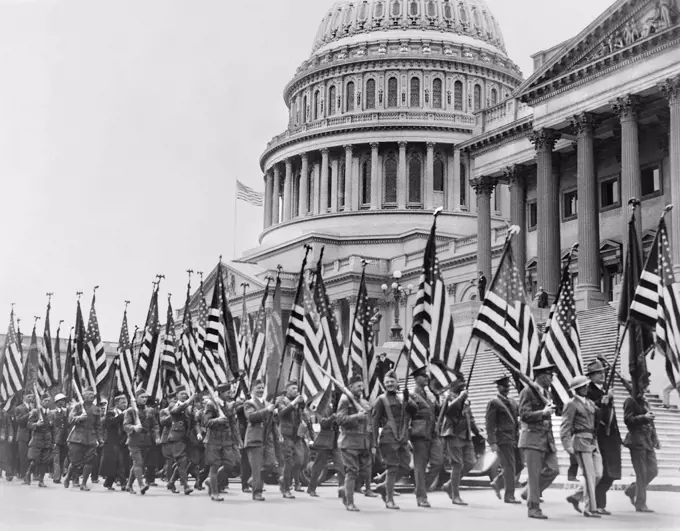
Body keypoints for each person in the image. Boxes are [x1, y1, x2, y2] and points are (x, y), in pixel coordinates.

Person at [518, 361, 559, 520]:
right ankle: (533, 508)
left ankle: (529, 492)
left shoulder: (546, 394)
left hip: (546, 439)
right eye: (550, 376)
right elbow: (524, 415)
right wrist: (543, 412)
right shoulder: (527, 391)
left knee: (553, 469)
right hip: (532, 438)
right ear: (541, 376)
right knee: (534, 475)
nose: (551, 379)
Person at [580, 360, 621, 515]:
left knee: (612, 472)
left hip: (610, 435)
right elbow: (589, 409)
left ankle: (585, 498)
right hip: (598, 434)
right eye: (598, 373)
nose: (602, 375)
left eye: (603, 372)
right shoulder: (588, 390)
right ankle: (598, 503)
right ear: (591, 376)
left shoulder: (605, 389)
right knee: (601, 471)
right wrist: (603, 401)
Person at [561, 376, 602, 518]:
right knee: (590, 476)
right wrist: (568, 446)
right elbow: (565, 427)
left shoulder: (590, 403)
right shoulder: (571, 404)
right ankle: (590, 508)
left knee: (598, 474)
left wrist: (607, 401)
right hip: (580, 441)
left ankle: (577, 496)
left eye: (586, 386)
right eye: (583, 387)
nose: (586, 388)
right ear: (577, 389)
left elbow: (601, 413)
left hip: (592, 441)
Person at [372, 370, 411, 510]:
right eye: (387, 382)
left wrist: (408, 399)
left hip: (402, 438)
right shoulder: (381, 400)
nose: (389, 384)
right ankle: (389, 499)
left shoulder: (402, 398)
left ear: (397, 383)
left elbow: (413, 411)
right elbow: (374, 422)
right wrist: (373, 442)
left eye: (392, 382)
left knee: (406, 466)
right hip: (388, 438)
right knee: (392, 467)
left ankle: (383, 486)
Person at [440, 375, 479, 506]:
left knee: (470, 463)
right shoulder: (446, 397)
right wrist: (461, 397)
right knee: (457, 465)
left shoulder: (465, 398)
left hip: (466, 434)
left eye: (464, 381)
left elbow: (470, 416)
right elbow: (449, 411)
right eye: (460, 381)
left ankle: (449, 485)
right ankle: (455, 495)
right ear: (453, 383)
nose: (463, 383)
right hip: (453, 434)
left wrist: (478, 432)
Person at [407, 366, 443, 508]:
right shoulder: (411, 394)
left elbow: (438, 411)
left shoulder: (429, 394)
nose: (426, 379)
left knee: (438, 462)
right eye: (423, 377)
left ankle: (421, 489)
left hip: (433, 432)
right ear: (416, 379)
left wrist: (440, 399)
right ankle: (421, 496)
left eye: (427, 377)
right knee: (420, 466)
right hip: (419, 433)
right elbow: (408, 412)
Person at [337, 373, 373, 512]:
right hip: (349, 441)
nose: (361, 388)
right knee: (352, 471)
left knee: (364, 472)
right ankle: (350, 502)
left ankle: (344, 490)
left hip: (363, 442)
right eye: (358, 386)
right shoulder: (345, 400)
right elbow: (339, 419)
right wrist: (356, 416)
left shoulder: (362, 402)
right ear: (350, 387)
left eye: (362, 386)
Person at [622, 376, 659, 513]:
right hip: (637, 440)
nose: (645, 387)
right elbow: (628, 420)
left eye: (646, 384)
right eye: (643, 384)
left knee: (653, 471)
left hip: (647, 440)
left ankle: (632, 490)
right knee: (641, 473)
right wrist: (643, 417)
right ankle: (640, 503)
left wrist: (655, 437)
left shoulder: (643, 400)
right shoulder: (630, 400)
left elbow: (651, 420)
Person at [486, 375, 522, 504]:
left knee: (520, 464)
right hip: (503, 439)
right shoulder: (494, 402)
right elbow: (489, 424)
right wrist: (492, 442)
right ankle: (509, 495)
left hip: (515, 437)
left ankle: (497, 482)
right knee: (509, 466)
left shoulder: (512, 401)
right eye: (503, 386)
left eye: (507, 386)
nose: (506, 389)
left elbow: (519, 414)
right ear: (498, 387)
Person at [203, 383, 242, 502]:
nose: (230, 395)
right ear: (220, 393)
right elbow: (206, 422)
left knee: (231, 463)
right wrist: (217, 420)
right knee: (214, 466)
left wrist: (238, 440)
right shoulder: (211, 405)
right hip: (213, 440)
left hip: (226, 440)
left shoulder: (226, 405)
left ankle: (211, 480)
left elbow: (232, 424)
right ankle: (215, 492)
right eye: (227, 393)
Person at [244, 379, 279, 502]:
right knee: (256, 467)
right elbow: (252, 417)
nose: (260, 390)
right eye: (258, 388)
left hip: (266, 439)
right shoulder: (249, 403)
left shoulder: (267, 403)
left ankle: (253, 480)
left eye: (262, 388)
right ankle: (257, 492)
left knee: (270, 464)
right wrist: (267, 410)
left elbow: (273, 423)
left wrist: (278, 434)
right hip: (254, 439)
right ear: (252, 390)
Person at [307, 392, 345, 499]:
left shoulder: (334, 408)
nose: (331, 399)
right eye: (329, 397)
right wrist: (333, 417)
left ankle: (342, 489)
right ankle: (311, 488)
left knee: (341, 465)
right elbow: (323, 423)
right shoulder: (320, 409)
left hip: (335, 441)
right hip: (325, 441)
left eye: (331, 397)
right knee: (318, 467)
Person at [65, 386, 102, 491]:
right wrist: (79, 418)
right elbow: (70, 420)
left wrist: (100, 439)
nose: (92, 396)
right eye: (89, 394)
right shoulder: (77, 407)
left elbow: (98, 426)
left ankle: (84, 483)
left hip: (90, 438)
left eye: (92, 394)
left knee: (89, 462)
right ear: (84, 396)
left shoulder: (96, 409)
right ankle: (68, 477)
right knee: (75, 462)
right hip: (77, 437)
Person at [123, 388, 156, 495]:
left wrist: (157, 436)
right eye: (142, 397)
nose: (145, 399)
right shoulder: (130, 411)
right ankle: (141, 485)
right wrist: (133, 427)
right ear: (136, 398)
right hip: (134, 440)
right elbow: (125, 425)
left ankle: (128, 485)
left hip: (146, 441)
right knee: (139, 463)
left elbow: (155, 425)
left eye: (146, 397)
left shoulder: (149, 410)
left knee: (138, 464)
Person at [276, 379, 305, 499]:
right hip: (285, 434)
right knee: (288, 462)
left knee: (299, 461)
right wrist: (294, 403)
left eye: (296, 389)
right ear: (286, 389)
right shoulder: (281, 400)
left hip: (296, 435)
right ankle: (286, 488)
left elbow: (300, 414)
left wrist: (301, 403)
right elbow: (282, 413)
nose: (295, 391)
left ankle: (284, 479)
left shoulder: (297, 401)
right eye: (292, 388)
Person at [100, 394, 128, 491]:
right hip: (112, 441)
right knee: (119, 462)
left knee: (116, 463)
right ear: (116, 403)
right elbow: (111, 422)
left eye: (126, 402)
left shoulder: (127, 413)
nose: (125, 404)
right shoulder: (111, 412)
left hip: (122, 441)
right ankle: (124, 483)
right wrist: (121, 416)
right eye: (123, 402)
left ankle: (108, 482)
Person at [25, 393, 54, 487]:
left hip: (47, 440)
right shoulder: (35, 412)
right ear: (41, 401)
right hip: (37, 438)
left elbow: (53, 428)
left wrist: (53, 441)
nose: (47, 402)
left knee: (45, 461)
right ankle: (29, 473)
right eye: (45, 400)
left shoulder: (51, 413)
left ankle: (41, 480)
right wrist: (36, 424)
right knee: (35, 460)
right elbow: (28, 424)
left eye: (48, 401)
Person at [51, 393, 69, 484]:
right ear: (56, 402)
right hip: (56, 439)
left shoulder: (66, 412)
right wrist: (52, 440)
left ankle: (59, 474)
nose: (62, 402)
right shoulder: (52, 413)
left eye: (63, 400)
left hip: (64, 439)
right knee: (56, 459)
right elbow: (51, 427)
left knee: (62, 458)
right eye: (60, 401)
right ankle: (56, 477)